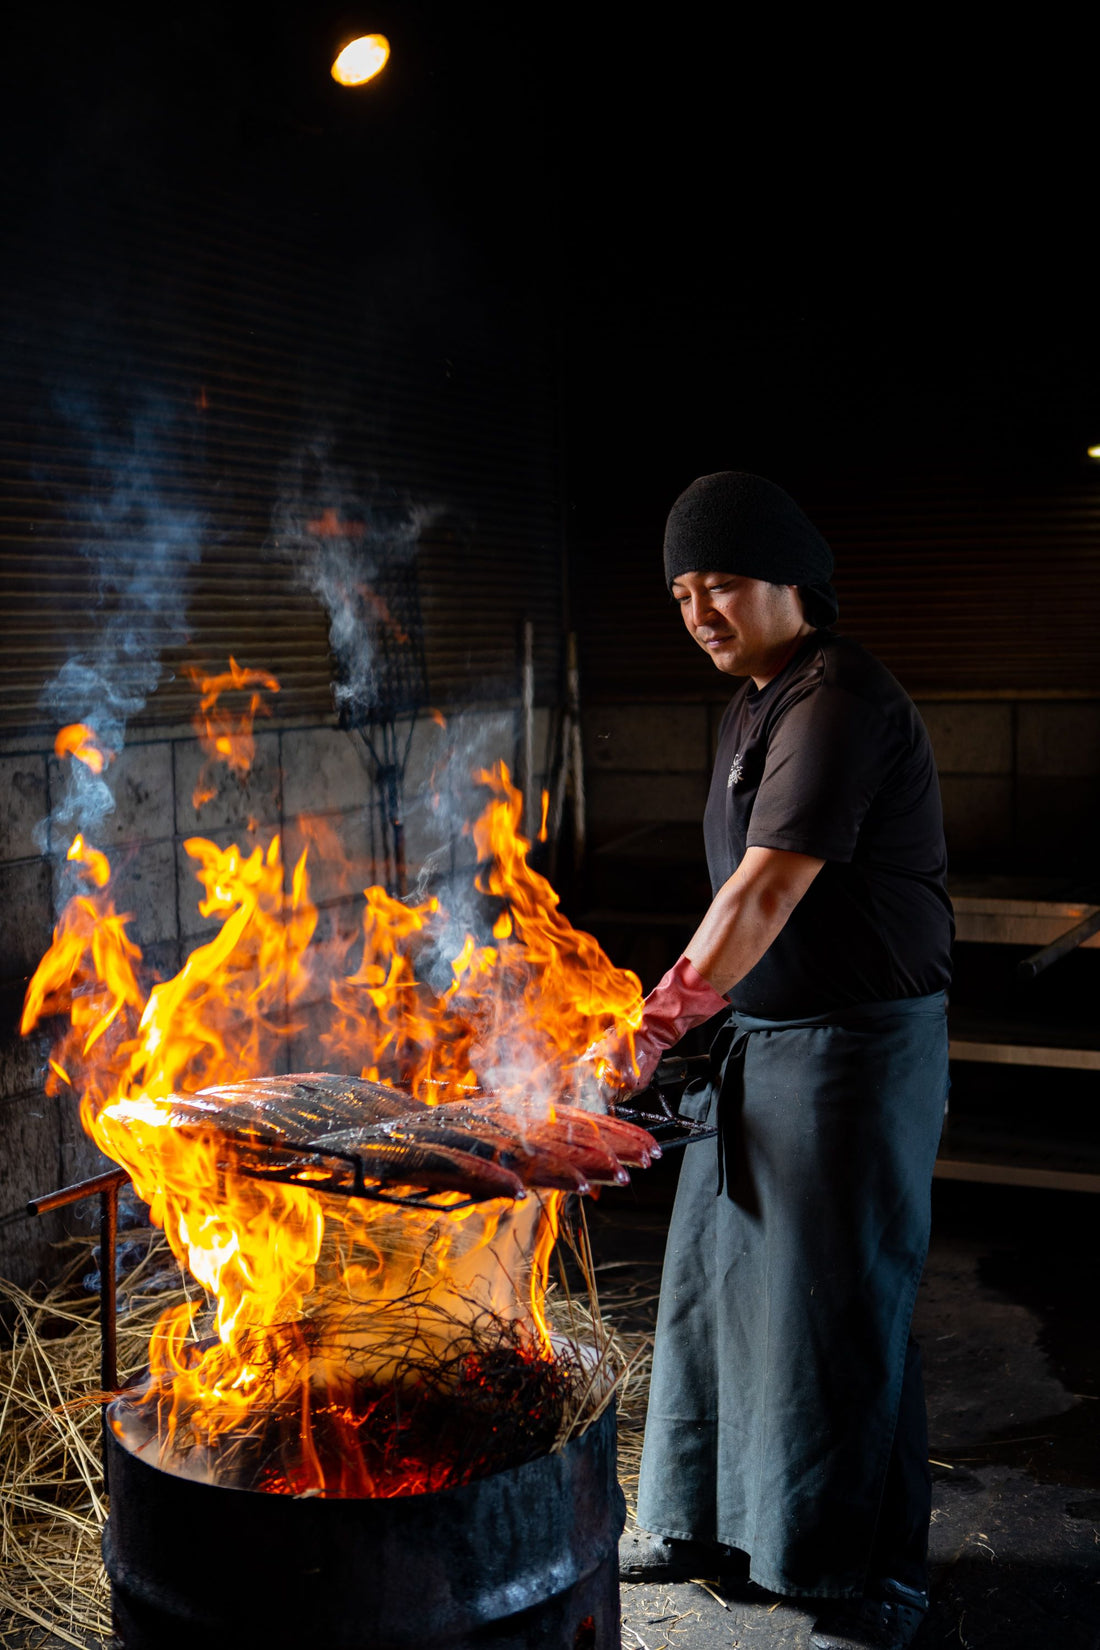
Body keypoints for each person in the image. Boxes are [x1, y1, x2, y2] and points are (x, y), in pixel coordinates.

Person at [600, 472, 953, 1650]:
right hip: (763, 1043)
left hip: (854, 1053)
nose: (700, 610)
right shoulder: (755, 697)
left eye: (724, 585)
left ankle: (857, 1566)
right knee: (712, 1293)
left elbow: (761, 889)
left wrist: (652, 1027)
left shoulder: (837, 697)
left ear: (791, 582)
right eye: (682, 592)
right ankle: (702, 1527)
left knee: (837, 1303)